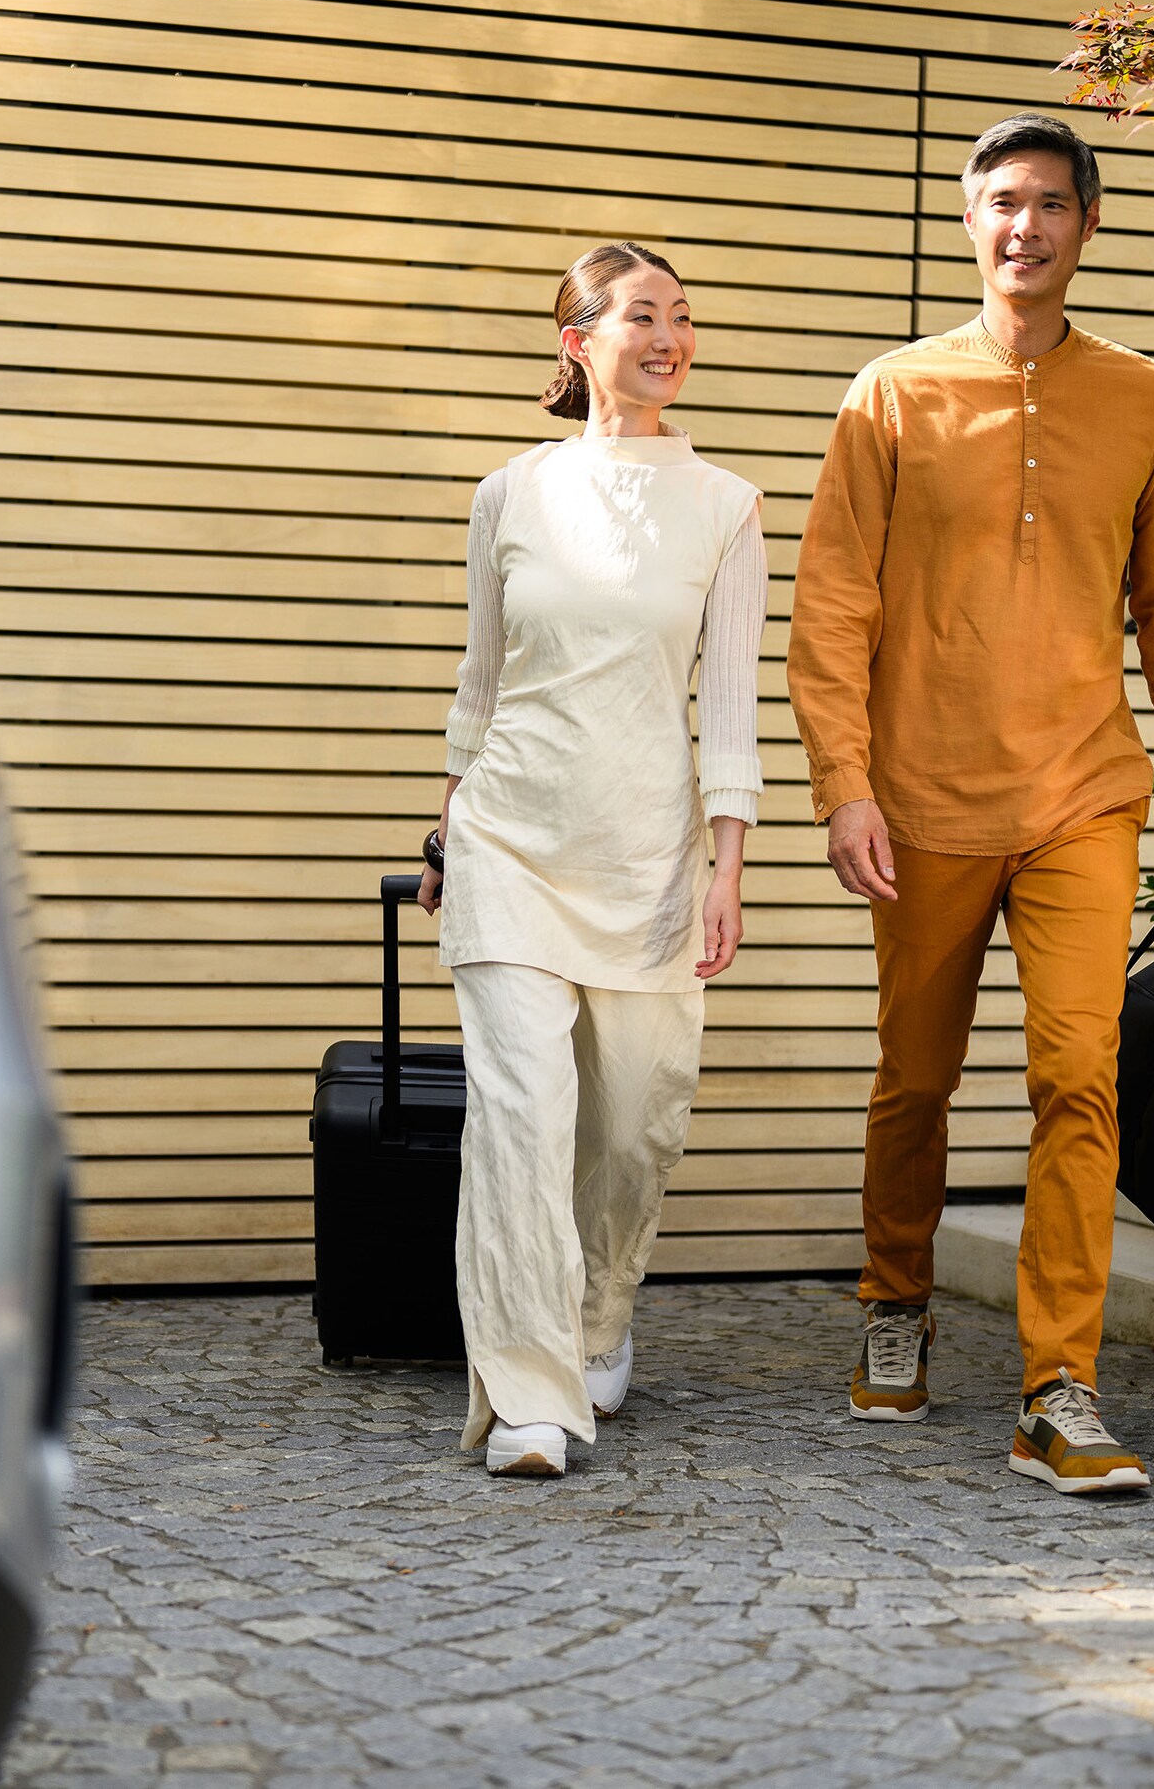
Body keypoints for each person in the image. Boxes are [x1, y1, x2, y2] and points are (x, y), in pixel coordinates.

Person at [788, 112, 1154, 1495]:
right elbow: (832, 606)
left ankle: (1055, 1388)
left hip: (1083, 792)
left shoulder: (1148, 402)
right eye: (1000, 203)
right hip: (922, 800)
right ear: (971, 223)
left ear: (1087, 226)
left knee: (1080, 1077)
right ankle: (892, 1304)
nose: (1023, 226)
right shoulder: (891, 396)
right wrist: (843, 785)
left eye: (1048, 205)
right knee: (916, 1077)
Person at [417, 242, 767, 1477]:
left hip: (651, 858)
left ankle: (598, 1317)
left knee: (633, 1128)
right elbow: (481, 685)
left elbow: (727, 710)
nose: (669, 336)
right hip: (511, 837)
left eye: (683, 315)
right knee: (516, 1121)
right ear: (578, 340)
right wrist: (450, 823)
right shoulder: (509, 493)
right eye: (641, 315)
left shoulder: (727, 505)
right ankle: (531, 1398)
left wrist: (725, 866)